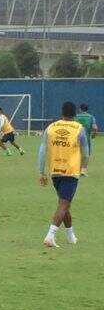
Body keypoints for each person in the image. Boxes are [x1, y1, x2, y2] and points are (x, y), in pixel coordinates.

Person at [38, 101, 89, 248]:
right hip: (71, 171)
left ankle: (70, 235)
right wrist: (83, 167)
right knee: (63, 204)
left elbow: (42, 150)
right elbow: (85, 153)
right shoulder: (79, 128)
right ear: (75, 114)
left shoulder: (51, 127)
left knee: (65, 203)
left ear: (62, 112)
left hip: (55, 171)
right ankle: (50, 236)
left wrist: (41, 172)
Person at [75, 103, 98, 175]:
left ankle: (75, 169)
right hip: (86, 139)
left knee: (76, 154)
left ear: (80, 109)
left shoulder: (75, 116)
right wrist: (94, 134)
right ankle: (83, 170)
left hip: (75, 139)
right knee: (86, 154)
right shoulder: (91, 117)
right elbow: (95, 128)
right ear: (87, 109)